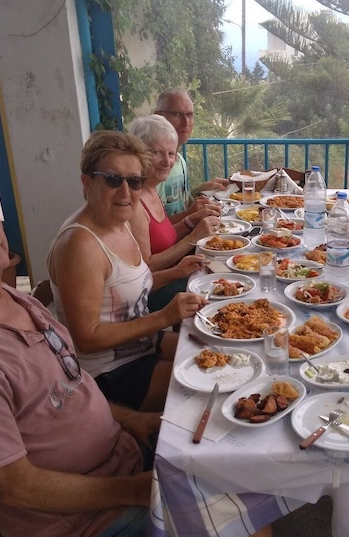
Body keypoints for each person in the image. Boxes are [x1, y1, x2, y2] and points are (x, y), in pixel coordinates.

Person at [0, 171, 271, 537]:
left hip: (118, 454)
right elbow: (15, 485)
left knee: (238, 458)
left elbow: (66, 386)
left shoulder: (6, 296)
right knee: (251, 536)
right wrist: (135, 489)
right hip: (75, 519)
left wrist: (134, 421)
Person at [47, 130, 205, 417]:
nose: (125, 191)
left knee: (220, 353)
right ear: (87, 182)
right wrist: (164, 317)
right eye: (112, 179)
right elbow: (87, 337)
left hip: (141, 346)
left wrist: (175, 273)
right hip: (109, 373)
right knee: (208, 385)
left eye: (134, 181)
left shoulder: (119, 223)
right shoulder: (80, 245)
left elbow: (125, 291)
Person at [127, 115, 222, 312]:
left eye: (171, 154)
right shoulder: (135, 203)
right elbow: (147, 267)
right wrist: (194, 237)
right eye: (157, 153)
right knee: (222, 293)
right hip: (150, 294)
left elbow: (164, 236)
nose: (167, 161)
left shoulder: (151, 189)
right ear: (138, 154)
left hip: (172, 273)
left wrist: (191, 220)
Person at [154, 87, 228, 221]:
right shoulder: (153, 167)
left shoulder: (180, 160)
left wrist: (200, 191)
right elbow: (155, 231)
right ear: (159, 116)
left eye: (189, 115)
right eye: (176, 114)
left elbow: (184, 206)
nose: (186, 122)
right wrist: (190, 216)